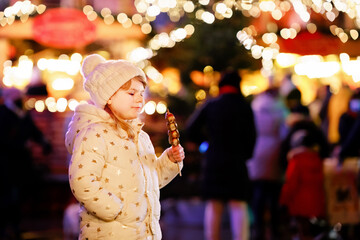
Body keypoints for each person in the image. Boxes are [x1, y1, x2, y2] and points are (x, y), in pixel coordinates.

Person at [65, 54, 185, 239]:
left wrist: (168, 161)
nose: (139, 99)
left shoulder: (140, 137)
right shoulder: (94, 134)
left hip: (143, 233)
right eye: (131, 93)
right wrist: (116, 209)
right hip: (109, 232)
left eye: (141, 93)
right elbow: (82, 180)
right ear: (109, 97)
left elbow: (150, 182)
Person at [186, 70, 257, 240]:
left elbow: (191, 128)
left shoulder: (212, 104)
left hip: (214, 160)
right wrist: (246, 155)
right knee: (238, 204)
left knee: (214, 204)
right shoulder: (244, 106)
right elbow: (252, 136)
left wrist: (205, 143)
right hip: (237, 161)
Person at [0, 87, 52, 239]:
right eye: (17, 96)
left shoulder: (23, 114)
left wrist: (43, 143)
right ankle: (4, 228)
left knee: (19, 195)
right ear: (9, 97)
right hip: (5, 163)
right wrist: (19, 145)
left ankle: (15, 226)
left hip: (21, 163)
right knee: (7, 196)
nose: (20, 99)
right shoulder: (3, 114)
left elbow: (33, 131)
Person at [247, 88, 286, 240]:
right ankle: (275, 227)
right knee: (274, 193)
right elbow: (284, 132)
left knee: (259, 191)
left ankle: (258, 227)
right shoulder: (280, 108)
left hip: (258, 149)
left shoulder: (255, 107)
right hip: (274, 149)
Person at [279, 128, 327, 240]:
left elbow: (291, 183)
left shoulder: (296, 160)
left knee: (303, 232)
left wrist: (283, 201)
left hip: (300, 205)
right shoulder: (317, 159)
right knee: (312, 232)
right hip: (317, 204)